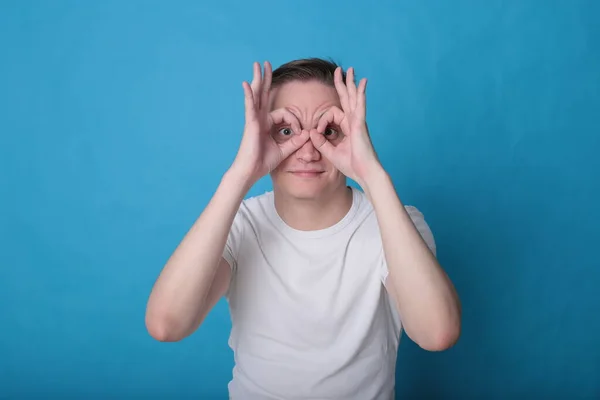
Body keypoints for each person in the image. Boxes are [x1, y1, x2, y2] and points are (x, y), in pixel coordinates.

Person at [145, 58, 461, 399]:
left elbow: (437, 333)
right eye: (286, 131)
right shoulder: (238, 224)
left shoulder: (396, 223)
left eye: (329, 131)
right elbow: (167, 325)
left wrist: (372, 175)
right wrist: (240, 174)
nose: (308, 151)